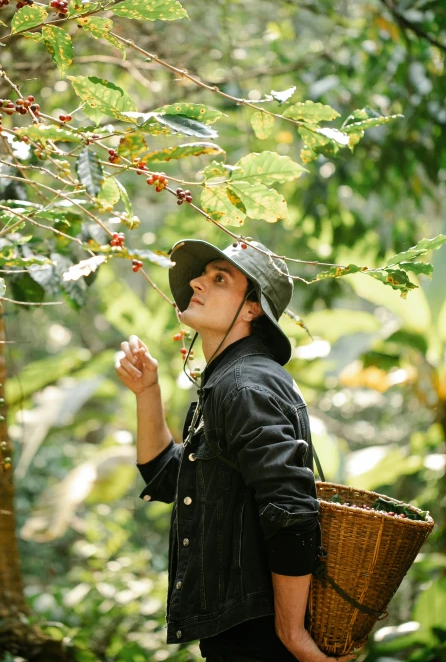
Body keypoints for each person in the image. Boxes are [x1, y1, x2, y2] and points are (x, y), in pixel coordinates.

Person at [116, 239, 355, 662]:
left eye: (219, 278)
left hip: (261, 640)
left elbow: (291, 510)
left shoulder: (242, 386)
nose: (196, 282)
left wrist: (292, 633)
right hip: (243, 634)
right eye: (202, 274)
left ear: (251, 308)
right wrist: (147, 393)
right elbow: (168, 477)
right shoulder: (228, 382)